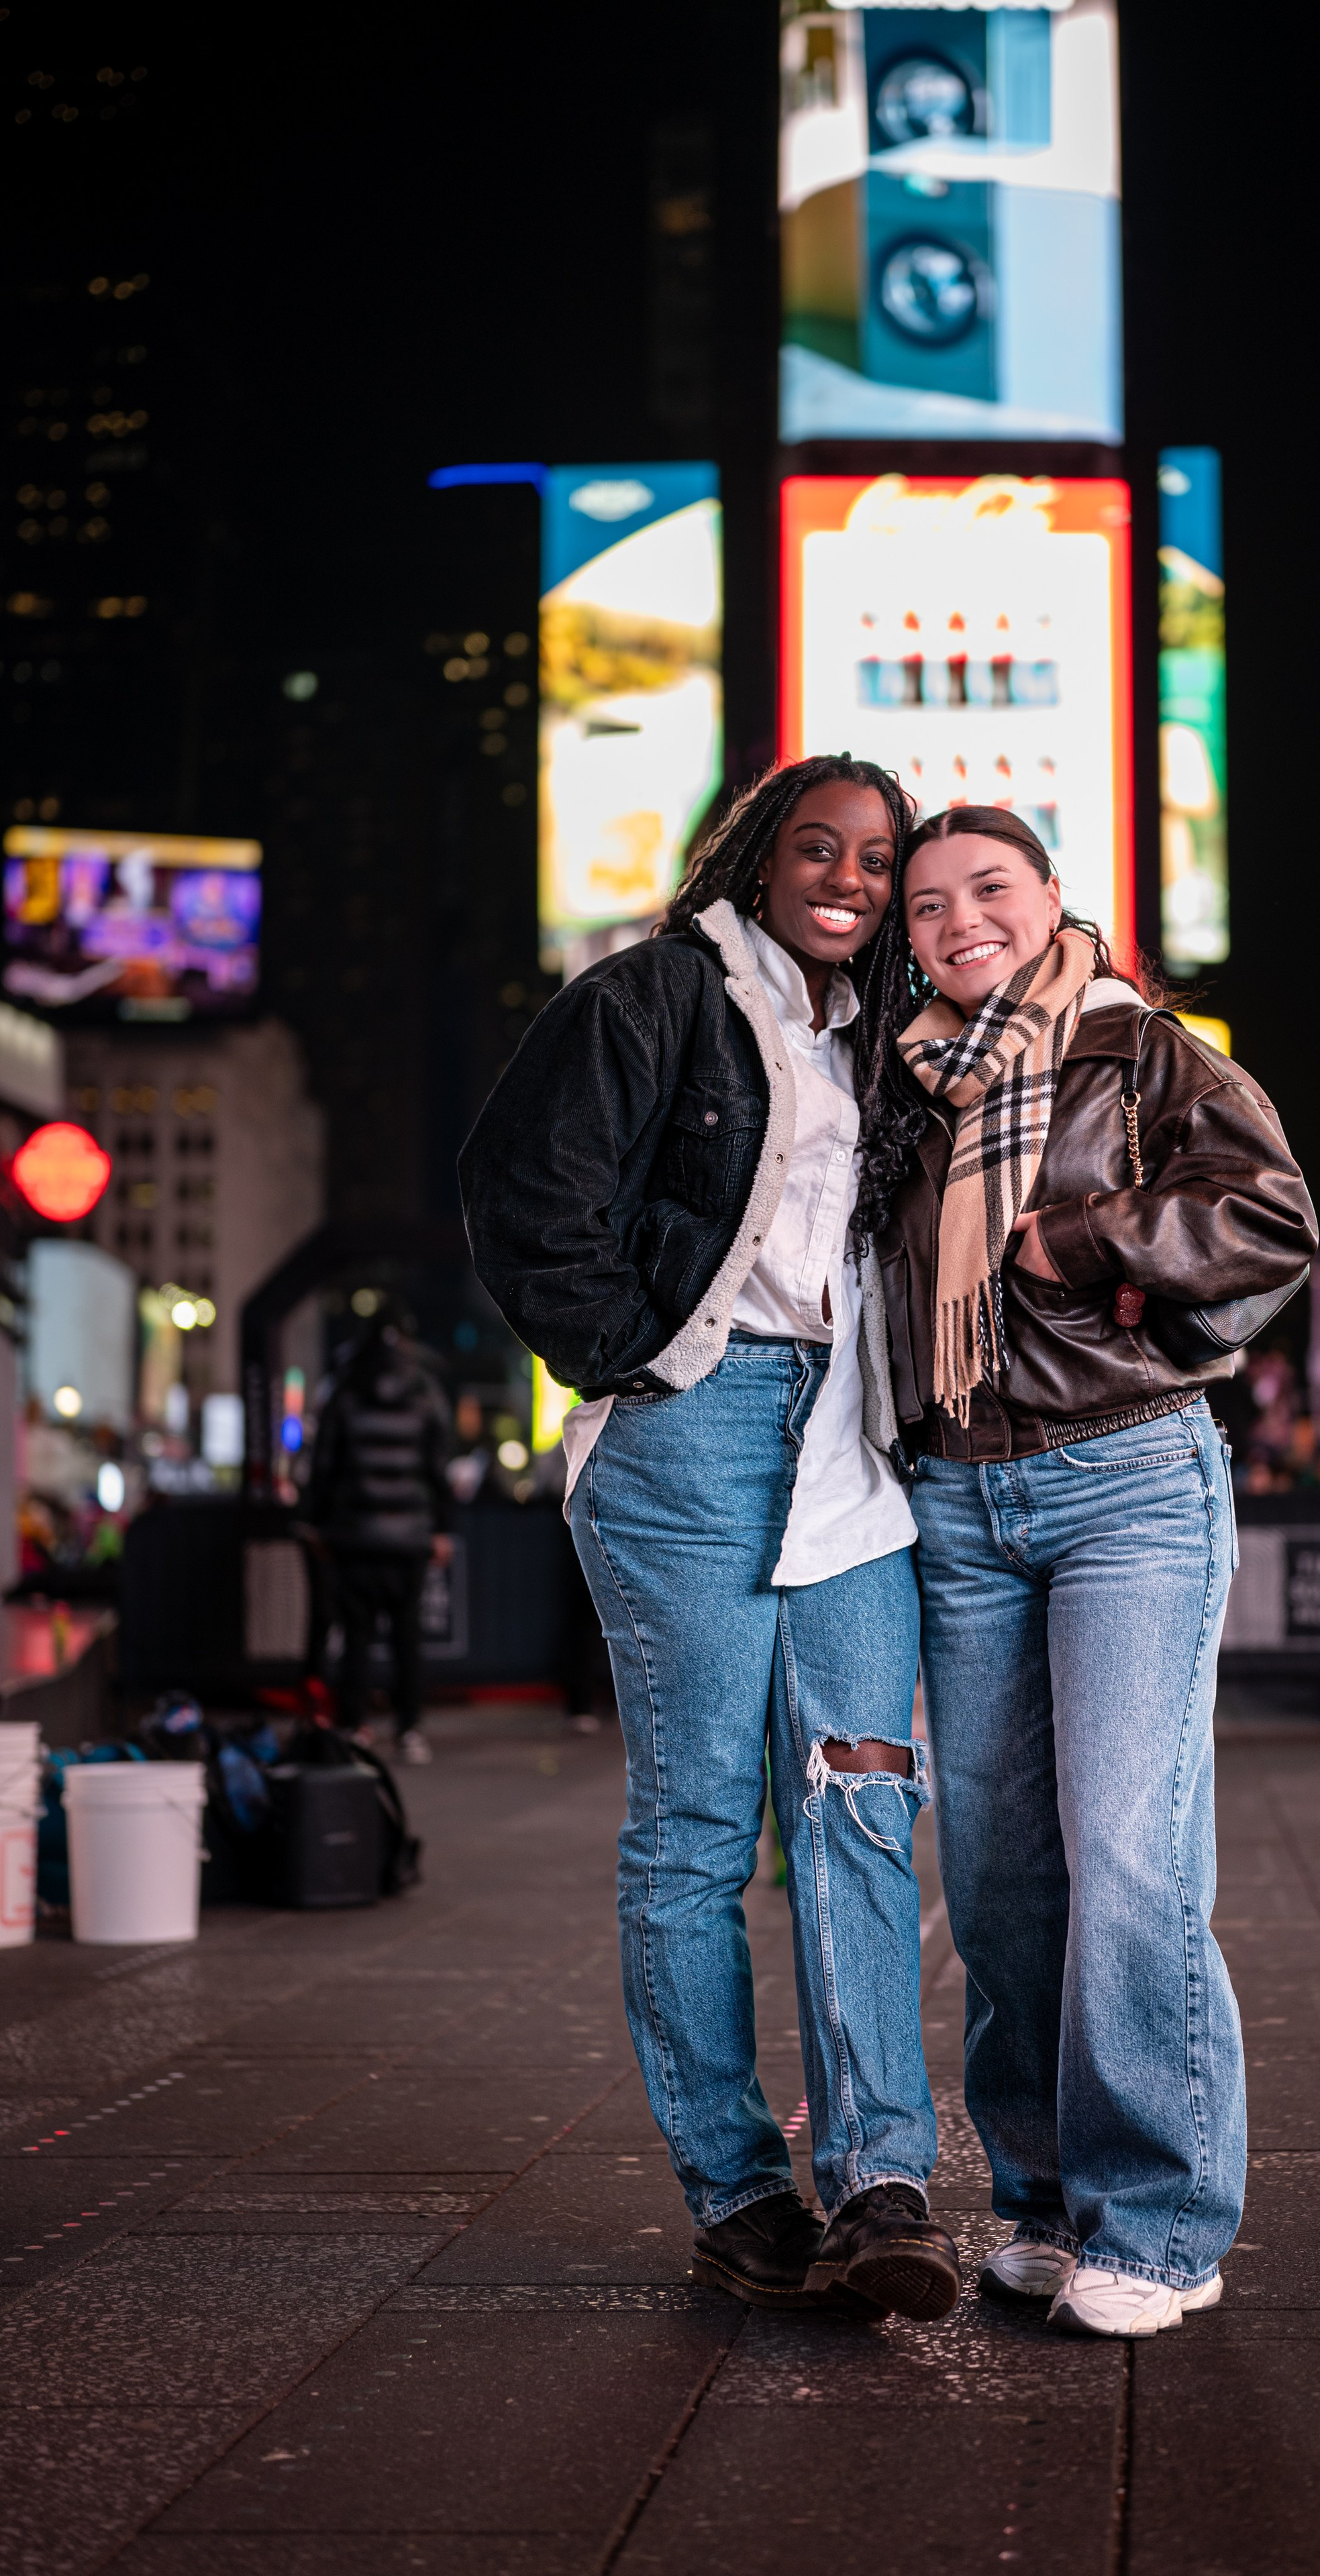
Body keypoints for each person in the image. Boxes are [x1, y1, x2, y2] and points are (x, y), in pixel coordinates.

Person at [459, 755, 960, 2322]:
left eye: (876, 860)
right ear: (751, 857)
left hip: (844, 1438)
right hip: (690, 1422)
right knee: (692, 1830)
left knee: (861, 1801)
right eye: (817, 847)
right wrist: (636, 1353)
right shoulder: (654, 996)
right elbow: (517, 1189)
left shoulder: (873, 1036)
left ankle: (880, 2178)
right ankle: (737, 2190)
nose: (849, 877)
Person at [856, 806, 1317, 2337]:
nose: (956, 919)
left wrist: (1075, 1238)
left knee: (1127, 1852)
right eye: (925, 904)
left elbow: (1268, 1212)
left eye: (988, 887)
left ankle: (1161, 2220)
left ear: (1052, 898)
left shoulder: (1133, 1044)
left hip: (1124, 1472)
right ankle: (1045, 2197)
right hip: (954, 1496)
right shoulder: (902, 1085)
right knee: (996, 1879)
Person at [304, 1313, 454, 1765]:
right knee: (407, 1639)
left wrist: (317, 1523)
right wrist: (442, 1529)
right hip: (409, 1540)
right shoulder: (426, 1390)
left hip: (354, 1537)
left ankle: (356, 1725)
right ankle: (409, 1729)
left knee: (356, 1638)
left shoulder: (342, 1389)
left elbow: (323, 1466)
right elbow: (438, 1469)